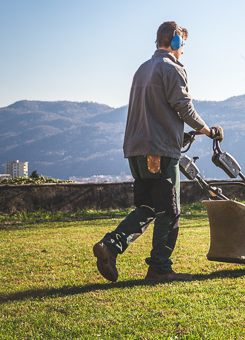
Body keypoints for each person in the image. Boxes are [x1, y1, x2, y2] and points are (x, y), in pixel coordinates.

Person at [93, 21, 223, 282]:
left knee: (149, 207)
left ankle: (110, 246)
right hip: (159, 153)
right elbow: (183, 108)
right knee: (170, 211)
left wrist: (180, 134)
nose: (183, 51)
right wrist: (208, 130)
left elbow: (156, 111)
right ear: (175, 42)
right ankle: (160, 269)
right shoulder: (172, 68)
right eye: (182, 45)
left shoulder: (142, 69)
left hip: (136, 150)